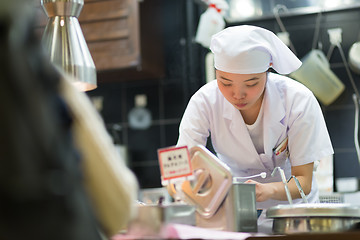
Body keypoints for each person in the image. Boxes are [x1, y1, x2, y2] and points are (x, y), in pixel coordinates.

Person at [176, 25, 334, 233]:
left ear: (267, 71)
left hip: (291, 214)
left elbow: (303, 182)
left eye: (251, 84)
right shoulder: (204, 102)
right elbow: (182, 167)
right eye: (225, 82)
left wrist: (266, 191)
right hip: (231, 212)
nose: (237, 94)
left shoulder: (297, 100)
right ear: (216, 74)